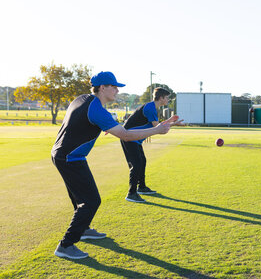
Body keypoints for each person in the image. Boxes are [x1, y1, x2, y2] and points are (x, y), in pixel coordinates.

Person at [52, 71, 178, 259]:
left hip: (65, 154)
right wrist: (158, 130)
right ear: (102, 88)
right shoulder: (96, 109)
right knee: (92, 200)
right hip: (70, 158)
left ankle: (83, 230)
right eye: (114, 87)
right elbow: (126, 135)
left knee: (80, 197)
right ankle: (66, 245)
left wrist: (103, 126)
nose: (117, 91)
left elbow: (79, 122)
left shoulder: (82, 99)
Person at [122, 87, 184, 202]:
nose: (168, 100)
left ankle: (142, 187)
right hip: (129, 138)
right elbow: (158, 128)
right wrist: (174, 123)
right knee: (136, 164)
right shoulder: (151, 108)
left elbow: (157, 126)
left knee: (142, 161)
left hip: (135, 139)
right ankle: (131, 193)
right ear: (161, 98)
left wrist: (171, 121)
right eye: (167, 98)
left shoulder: (151, 107)